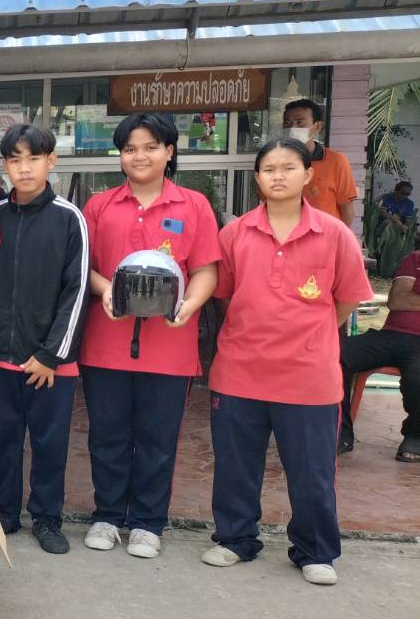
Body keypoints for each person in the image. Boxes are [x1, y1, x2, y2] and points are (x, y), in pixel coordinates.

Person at [202, 138, 372, 586]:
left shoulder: (334, 234)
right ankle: (235, 538)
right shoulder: (235, 234)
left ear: (308, 175)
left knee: (312, 471)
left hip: (309, 376)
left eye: (288, 167)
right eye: (269, 169)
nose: (278, 176)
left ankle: (315, 551)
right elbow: (224, 297)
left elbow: (347, 300)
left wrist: (309, 334)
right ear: (257, 179)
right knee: (236, 466)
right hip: (239, 371)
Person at [80, 113, 220, 560]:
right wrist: (105, 291)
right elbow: (84, 268)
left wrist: (189, 305)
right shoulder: (99, 206)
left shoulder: (193, 205)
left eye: (150, 147)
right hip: (106, 344)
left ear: (169, 151)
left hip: (170, 347)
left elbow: (206, 270)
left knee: (158, 440)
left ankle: (147, 522)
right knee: (107, 436)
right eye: (129, 149)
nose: (139, 156)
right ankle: (107, 515)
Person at [0, 124, 87, 555]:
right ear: (5, 165)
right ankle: (3, 512)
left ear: (51, 161)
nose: (24, 168)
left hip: (51, 363)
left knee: (49, 443)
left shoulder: (69, 218)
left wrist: (51, 354)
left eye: (33, 158)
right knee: (0, 439)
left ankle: (47, 517)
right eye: (15, 159)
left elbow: (76, 290)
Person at [340, 249, 420, 462]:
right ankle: (339, 433)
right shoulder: (416, 258)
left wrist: (412, 299)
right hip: (391, 335)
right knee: (334, 355)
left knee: (418, 376)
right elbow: (396, 300)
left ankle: (415, 435)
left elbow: (406, 299)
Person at [281, 99, 357, 226]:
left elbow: (347, 212)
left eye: (300, 122)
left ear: (317, 126)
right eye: (287, 123)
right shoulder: (274, 161)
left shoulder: (336, 162)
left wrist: (340, 238)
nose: (292, 128)